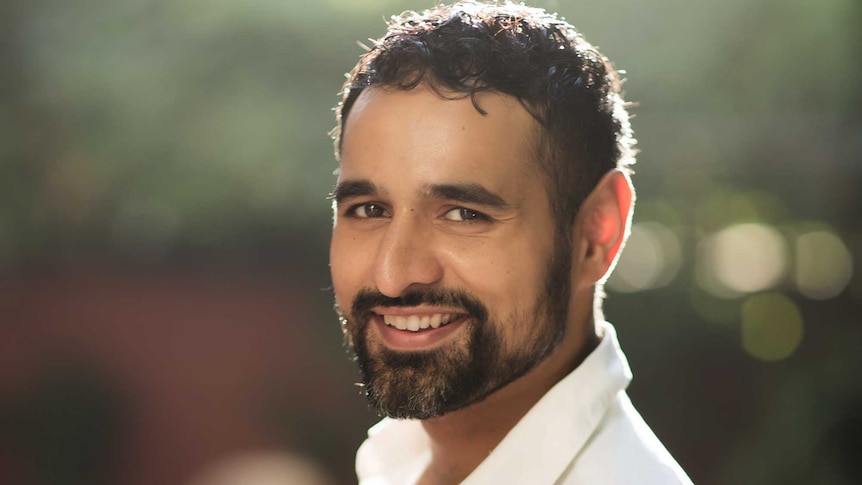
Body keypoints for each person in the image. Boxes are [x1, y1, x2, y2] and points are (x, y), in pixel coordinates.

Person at [328, 1, 693, 484]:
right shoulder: (394, 461)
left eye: (464, 214)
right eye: (369, 210)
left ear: (596, 233)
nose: (391, 276)